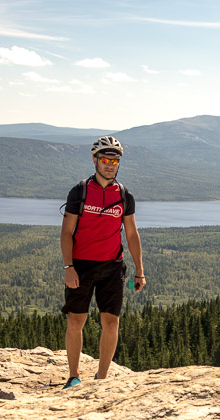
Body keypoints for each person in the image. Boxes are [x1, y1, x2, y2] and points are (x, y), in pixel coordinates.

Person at [60, 136, 145, 388]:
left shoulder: (124, 195)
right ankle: (74, 376)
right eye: (105, 159)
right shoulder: (81, 191)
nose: (110, 164)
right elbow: (66, 232)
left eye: (114, 160)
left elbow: (131, 234)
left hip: (112, 266)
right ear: (95, 160)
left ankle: (102, 378)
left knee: (111, 321)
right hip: (81, 265)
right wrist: (68, 267)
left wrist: (139, 271)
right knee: (76, 320)